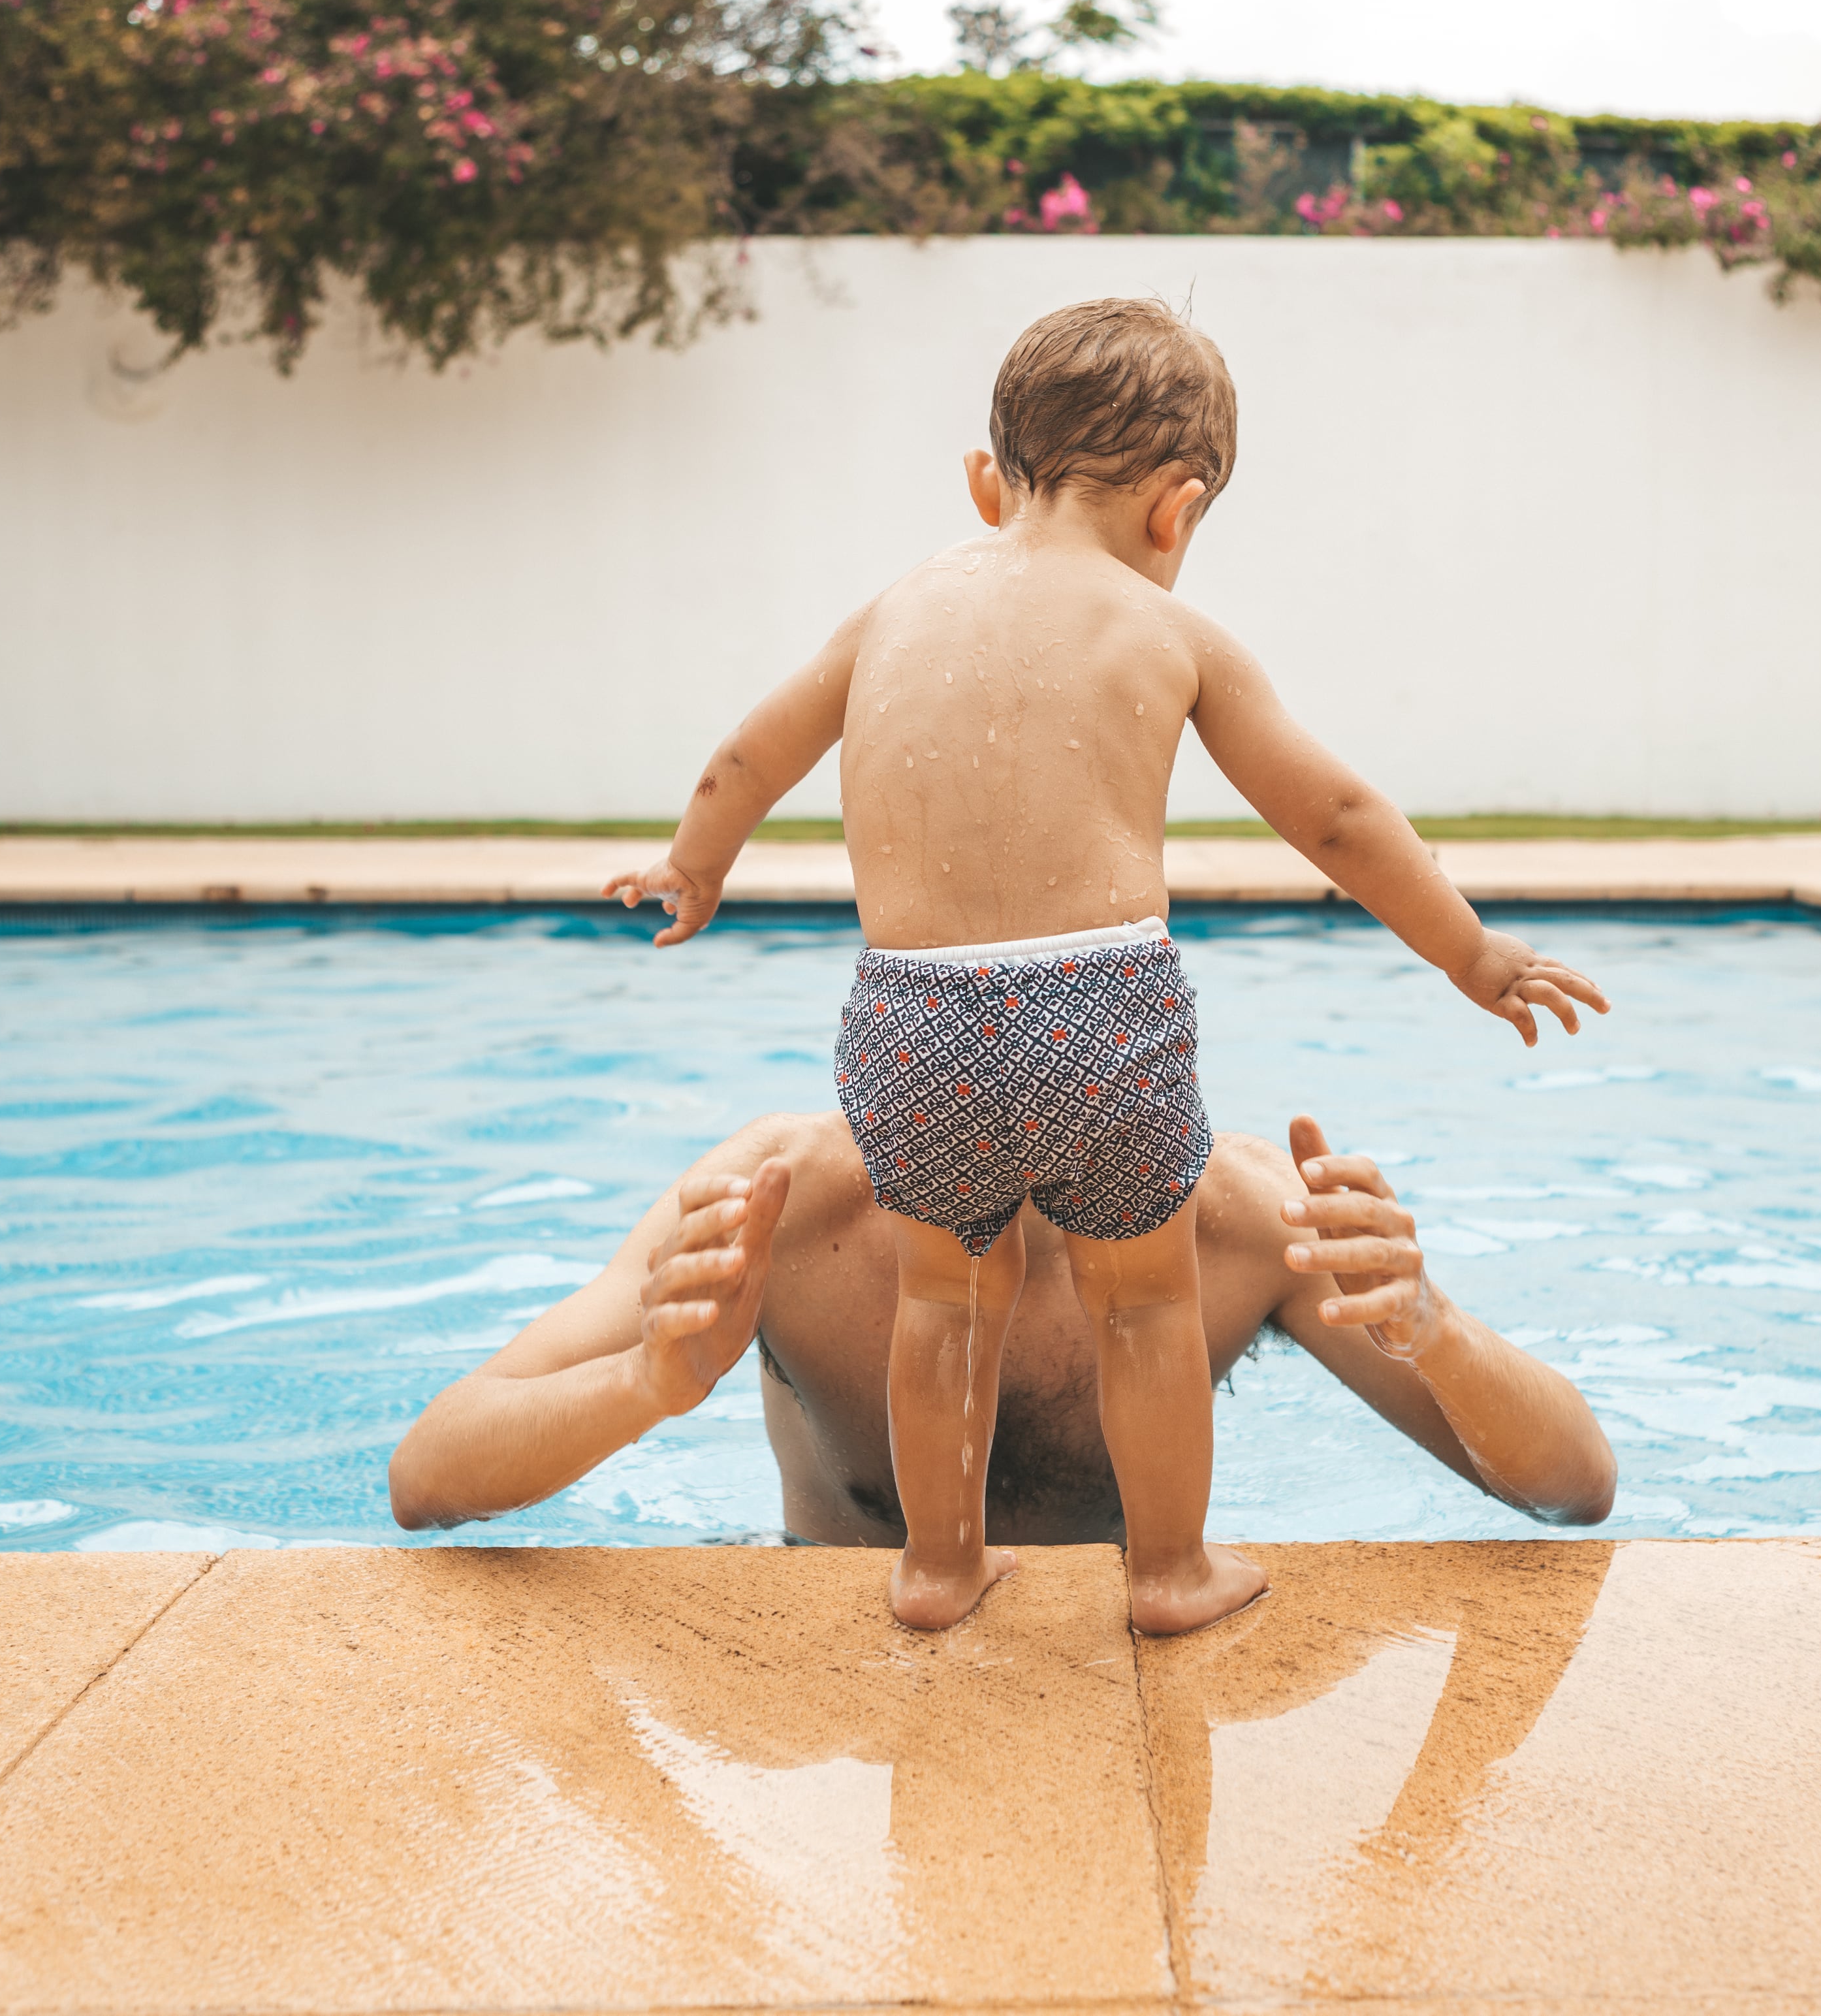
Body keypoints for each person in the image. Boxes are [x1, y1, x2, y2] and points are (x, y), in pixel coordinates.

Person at [600, 298, 1609, 1633]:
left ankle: (939, 1567)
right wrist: (1469, 954)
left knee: (944, 1301)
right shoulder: (1166, 630)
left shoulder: (891, 615)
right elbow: (1338, 820)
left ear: (984, 484)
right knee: (1142, 1303)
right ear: (1174, 512)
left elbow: (747, 758)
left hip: (912, 1016)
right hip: (1101, 1007)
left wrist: (695, 869)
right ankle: (1167, 1572)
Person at [387, 1113, 1618, 1572]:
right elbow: (430, 1475)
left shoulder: (1240, 1218)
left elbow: (1575, 1486)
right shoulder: (782, 1204)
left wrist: (1434, 1329)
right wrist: (646, 1382)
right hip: (838, 1655)